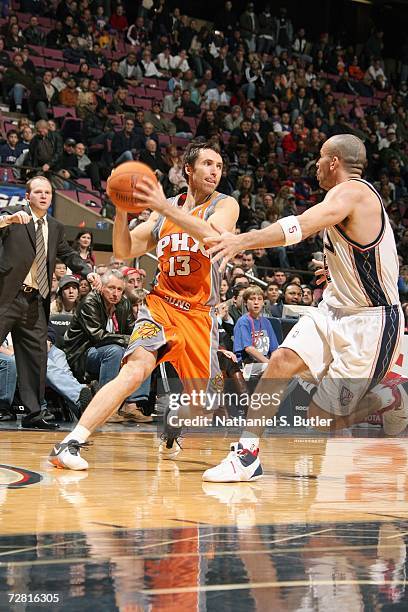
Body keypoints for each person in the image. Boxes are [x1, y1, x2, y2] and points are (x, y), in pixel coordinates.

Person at [203, 134, 405, 482]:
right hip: (334, 309)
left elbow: (300, 226)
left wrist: (241, 240)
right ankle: (247, 455)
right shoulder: (348, 197)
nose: (315, 165)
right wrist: (338, 270)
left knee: (318, 419)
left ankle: (392, 398)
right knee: (280, 361)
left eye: (319, 159)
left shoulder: (352, 192)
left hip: (370, 324)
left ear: (334, 162)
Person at [49, 142, 239, 469]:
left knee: (206, 404)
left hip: (199, 315)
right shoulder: (165, 211)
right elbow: (124, 248)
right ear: (188, 171)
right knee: (135, 370)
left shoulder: (225, 205)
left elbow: (212, 236)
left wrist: (162, 208)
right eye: (207, 164)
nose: (214, 171)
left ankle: (174, 419)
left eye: (219, 166)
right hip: (161, 305)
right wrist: (122, 210)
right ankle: (71, 442)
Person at [0, 176, 101, 429]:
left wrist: (86, 270)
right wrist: (7, 221)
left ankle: (34, 415)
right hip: (6, 296)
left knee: (36, 356)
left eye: (47, 192)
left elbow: (66, 254)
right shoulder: (13, 215)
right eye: (38, 192)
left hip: (35, 300)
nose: (44, 196)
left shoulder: (54, 226)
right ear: (27, 196)